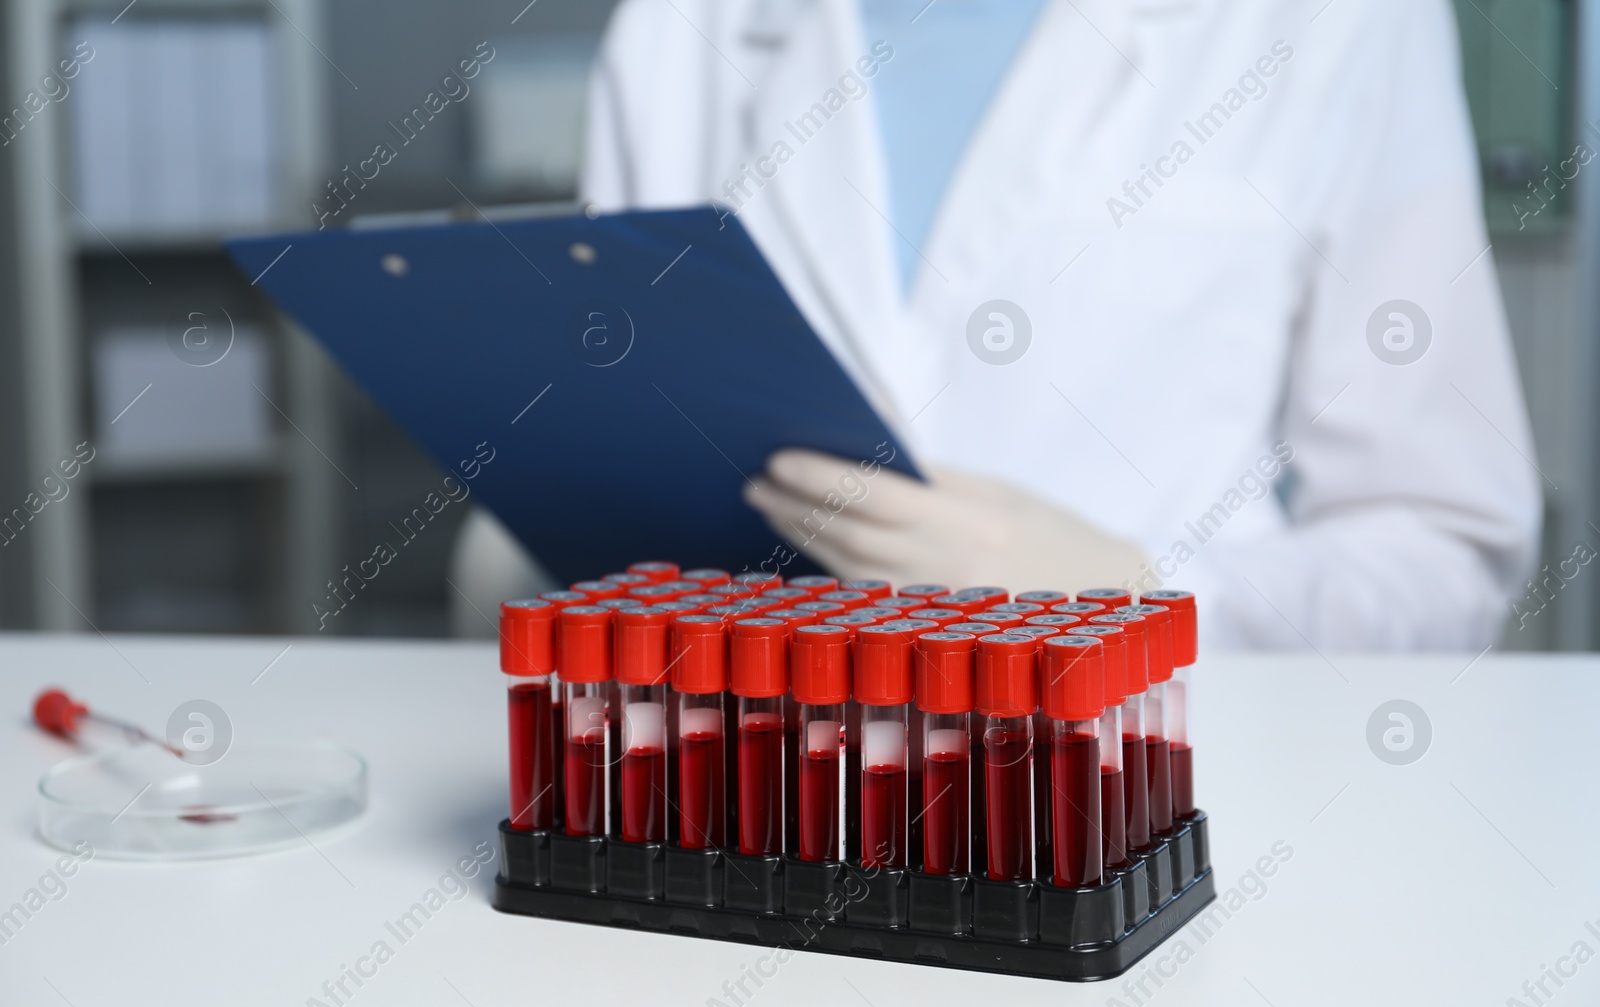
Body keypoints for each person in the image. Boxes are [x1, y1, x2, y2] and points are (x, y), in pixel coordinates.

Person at [514, 0, 1538, 651]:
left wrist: (1148, 599)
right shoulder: (682, 29)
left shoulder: (1333, 23)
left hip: (1162, 791)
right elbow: (634, 459)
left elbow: (1444, 545)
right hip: (772, 792)